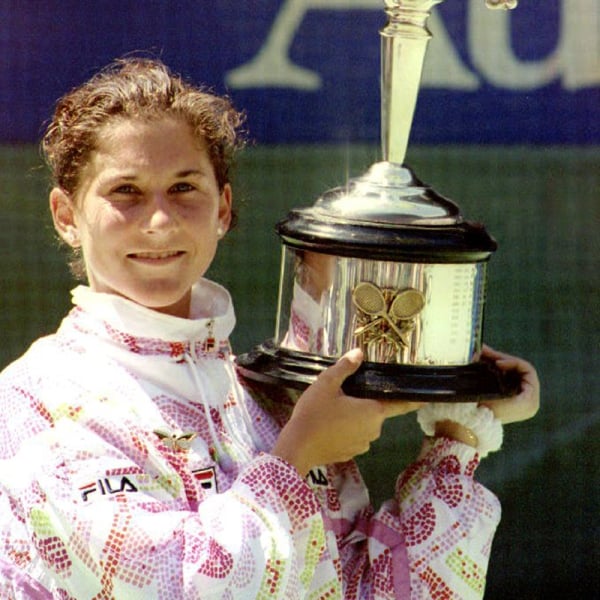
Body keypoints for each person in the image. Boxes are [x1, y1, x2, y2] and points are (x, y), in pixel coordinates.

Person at [0, 58, 539, 599]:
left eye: (184, 187)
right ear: (66, 216)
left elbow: (388, 592)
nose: (160, 221)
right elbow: (169, 589)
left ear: (224, 209)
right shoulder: (36, 403)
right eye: (126, 192)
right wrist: (296, 458)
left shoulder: (268, 405)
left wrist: (457, 436)